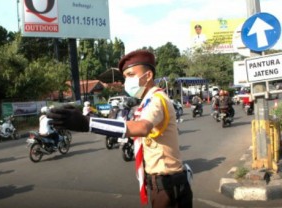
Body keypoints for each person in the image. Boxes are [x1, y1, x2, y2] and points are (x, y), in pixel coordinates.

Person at [48, 50, 193, 207]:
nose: (126, 82)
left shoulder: (157, 99)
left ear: (148, 75)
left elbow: (142, 127)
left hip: (168, 186)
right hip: (162, 183)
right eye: (125, 77)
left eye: (131, 75)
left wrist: (88, 123)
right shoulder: (147, 101)